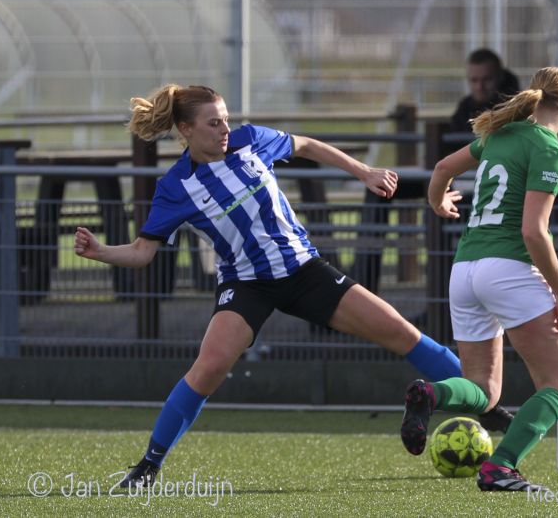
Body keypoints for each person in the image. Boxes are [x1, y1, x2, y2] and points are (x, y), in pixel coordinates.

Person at [72, 84, 510, 490]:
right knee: (209, 369)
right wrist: (100, 251)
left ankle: (488, 409)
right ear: (185, 130)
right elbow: (142, 251)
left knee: (401, 333)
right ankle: (148, 467)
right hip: (247, 284)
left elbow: (306, 145)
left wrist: (364, 172)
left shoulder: (249, 141)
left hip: (303, 270)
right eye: (213, 122)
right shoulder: (175, 187)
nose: (224, 129)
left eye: (225, 119)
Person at [400, 66, 558, 493]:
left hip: (464, 270)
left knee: (484, 389)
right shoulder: (549, 148)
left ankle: (432, 394)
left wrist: (437, 202)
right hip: (508, 269)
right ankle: (501, 466)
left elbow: (442, 167)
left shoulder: (500, 134)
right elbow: (533, 232)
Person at [448, 48, 521, 134]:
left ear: (500, 77)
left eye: (487, 79)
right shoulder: (464, 108)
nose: (479, 87)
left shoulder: (517, 109)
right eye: (474, 80)